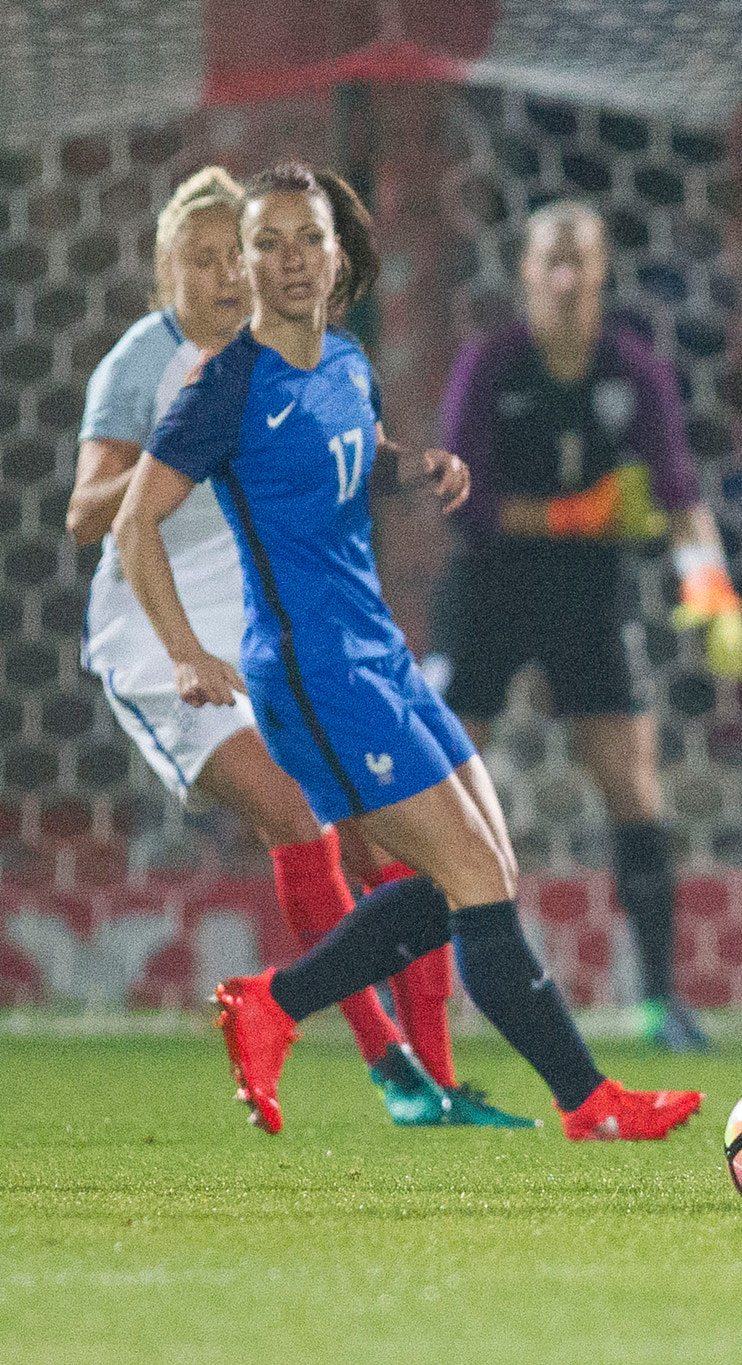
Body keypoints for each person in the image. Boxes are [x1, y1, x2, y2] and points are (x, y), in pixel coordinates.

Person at [110, 161, 699, 1141]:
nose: (291, 259)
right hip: (315, 672)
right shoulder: (226, 390)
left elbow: (344, 453)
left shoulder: (343, 360)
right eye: (269, 242)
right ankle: (589, 1101)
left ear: (339, 255)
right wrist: (182, 651)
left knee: (477, 877)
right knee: (470, 878)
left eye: (309, 239)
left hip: (382, 650)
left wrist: (408, 466)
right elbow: (136, 526)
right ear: (246, 265)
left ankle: (273, 1005)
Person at [67, 166, 528, 1129]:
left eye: (234, 253)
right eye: (201, 258)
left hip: (260, 628)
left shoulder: (285, 359)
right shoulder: (145, 366)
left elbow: (335, 458)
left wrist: (410, 468)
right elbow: (87, 515)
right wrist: (181, 452)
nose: (228, 274)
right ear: (164, 276)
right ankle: (388, 1063)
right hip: (159, 640)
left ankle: (436, 1078)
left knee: (386, 841)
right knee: (292, 811)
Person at [436, 199, 742, 1053]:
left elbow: (681, 497)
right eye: (552, 261)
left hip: (588, 597)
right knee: (441, 794)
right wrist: (580, 512)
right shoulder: (491, 368)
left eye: (583, 261)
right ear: (527, 273)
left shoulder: (635, 373)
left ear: (604, 273)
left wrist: (713, 591)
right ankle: (423, 997)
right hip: (489, 593)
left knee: (634, 787)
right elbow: (466, 506)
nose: (568, 278)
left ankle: (660, 1001)